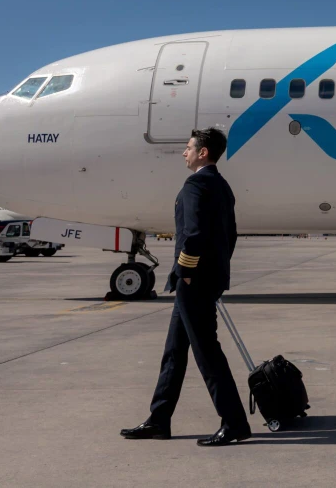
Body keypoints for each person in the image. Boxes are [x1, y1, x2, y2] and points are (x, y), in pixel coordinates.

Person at [121, 128, 252, 446]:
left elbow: (192, 234)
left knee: (207, 353)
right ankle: (159, 419)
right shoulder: (222, 186)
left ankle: (234, 423)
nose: (184, 152)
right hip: (205, 278)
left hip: (193, 281)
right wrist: (216, 271)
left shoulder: (196, 184)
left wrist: (189, 272)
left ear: (203, 152)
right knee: (174, 353)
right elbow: (229, 237)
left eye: (189, 148)